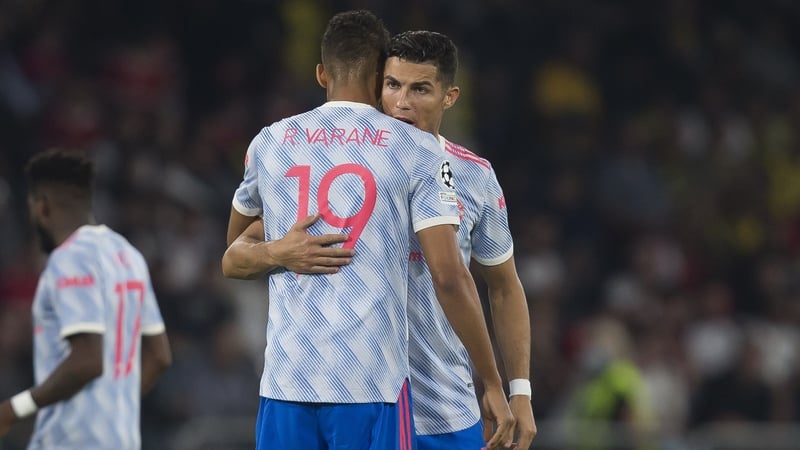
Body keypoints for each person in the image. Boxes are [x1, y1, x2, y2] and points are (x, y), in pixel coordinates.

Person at [224, 10, 514, 450]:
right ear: (381, 74)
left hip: (286, 381)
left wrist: (277, 253)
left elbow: (232, 256)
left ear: (321, 73)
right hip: (369, 383)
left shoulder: (270, 141)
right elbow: (450, 276)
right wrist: (493, 381)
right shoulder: (417, 151)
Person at [380, 30, 537, 449]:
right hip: (363, 400)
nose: (402, 102)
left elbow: (504, 287)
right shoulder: (347, 163)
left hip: (447, 408)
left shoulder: (474, 175)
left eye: (420, 89)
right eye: (392, 85)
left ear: (449, 97)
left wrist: (518, 390)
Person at [0, 150, 172, 449]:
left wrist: (13, 410)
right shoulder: (128, 255)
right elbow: (159, 356)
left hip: (69, 441)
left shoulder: (68, 258)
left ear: (42, 207)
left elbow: (89, 360)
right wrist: (115, 411)